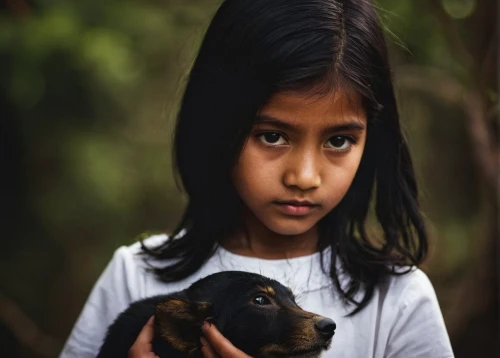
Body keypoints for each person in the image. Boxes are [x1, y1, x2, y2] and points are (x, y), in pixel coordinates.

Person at [60, 0, 455, 357]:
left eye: (338, 140)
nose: (304, 176)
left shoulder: (396, 300)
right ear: (218, 124)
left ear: (372, 138)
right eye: (272, 136)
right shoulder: (137, 276)